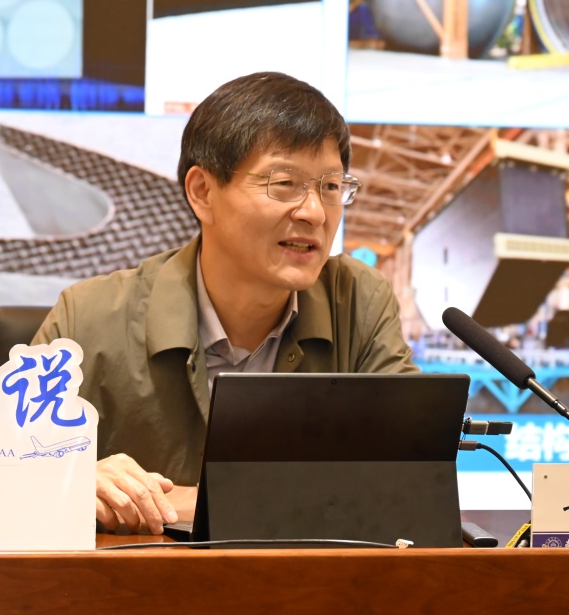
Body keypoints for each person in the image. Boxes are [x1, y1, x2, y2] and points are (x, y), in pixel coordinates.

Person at [31, 71, 417, 534]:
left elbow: (408, 478)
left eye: (331, 187)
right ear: (203, 192)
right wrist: (71, 479)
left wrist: (188, 503)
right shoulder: (88, 319)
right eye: (284, 183)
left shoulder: (357, 302)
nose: (314, 212)